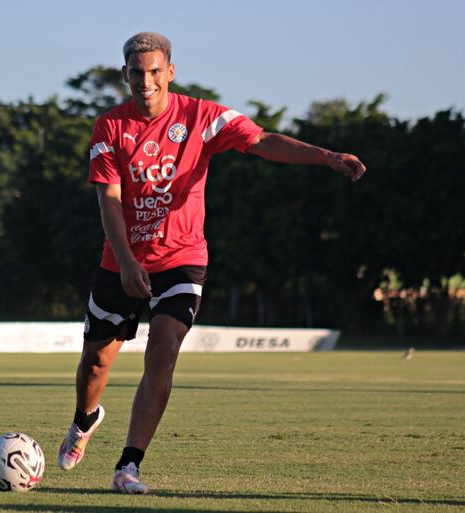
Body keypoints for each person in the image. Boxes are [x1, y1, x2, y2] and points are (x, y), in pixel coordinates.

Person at [57, 31, 366, 494]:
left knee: (163, 352)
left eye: (155, 72)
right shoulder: (109, 127)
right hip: (121, 260)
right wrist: (125, 262)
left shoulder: (202, 116)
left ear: (171, 72)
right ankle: (84, 421)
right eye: (137, 73)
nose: (146, 81)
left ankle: (129, 466)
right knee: (96, 364)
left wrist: (328, 157)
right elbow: (109, 200)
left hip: (183, 258)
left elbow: (262, 140)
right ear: (125, 75)